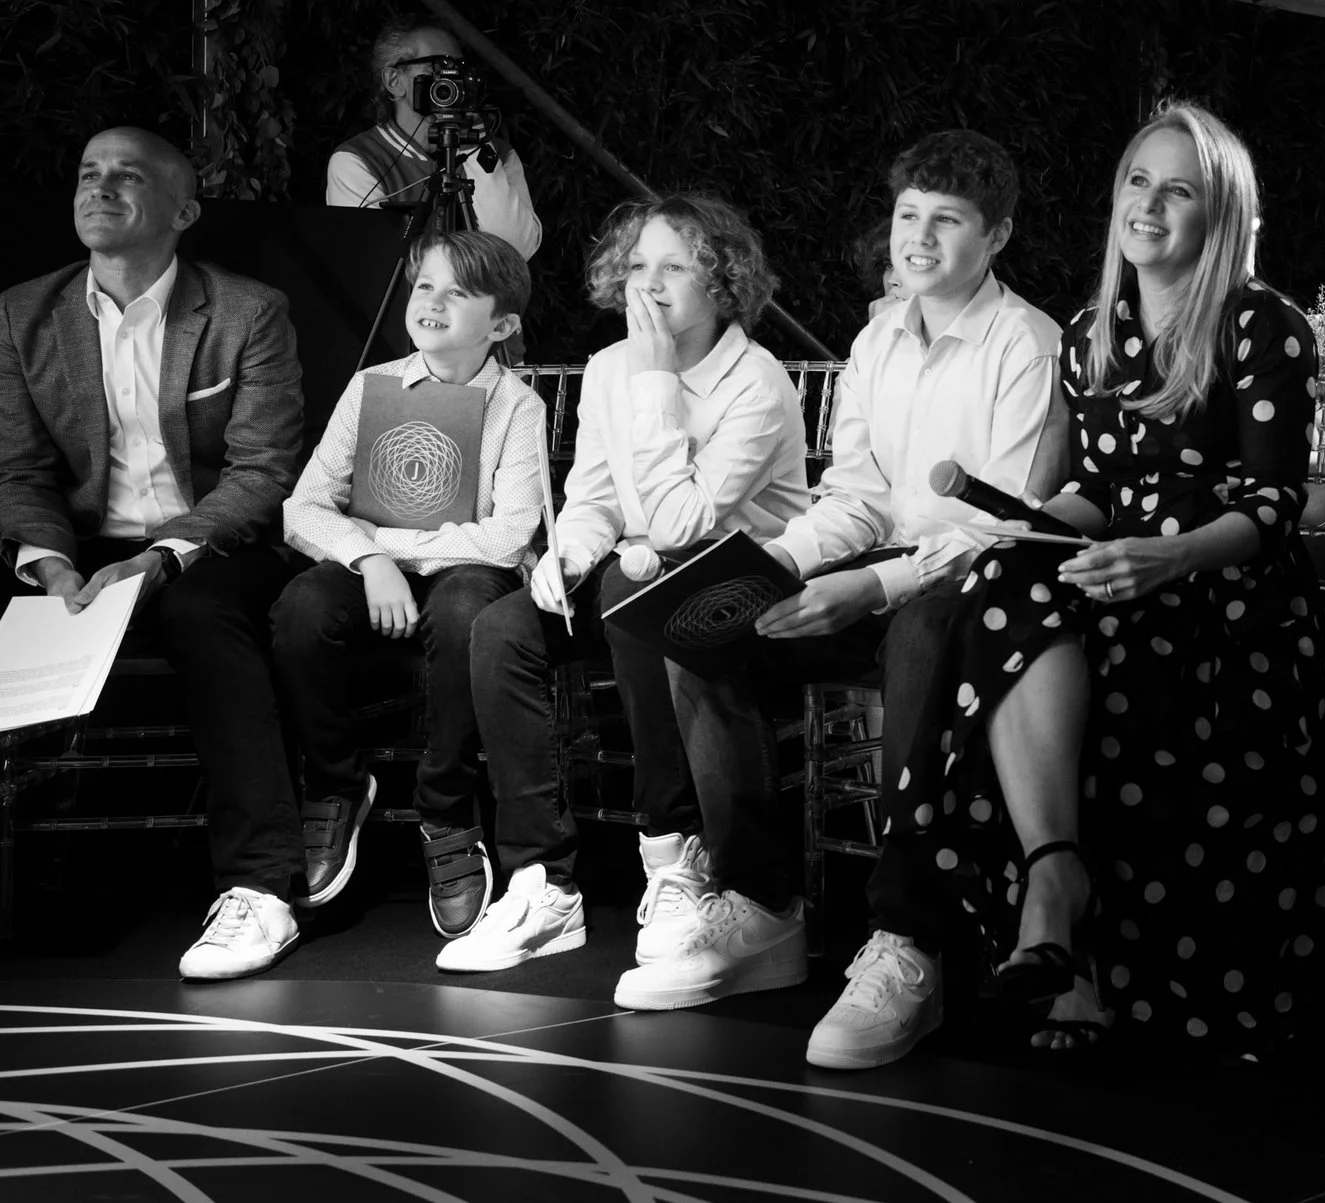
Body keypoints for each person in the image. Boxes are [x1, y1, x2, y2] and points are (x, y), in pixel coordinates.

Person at [883, 102, 1325, 1054]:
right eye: (1138, 182)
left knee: (1096, 648)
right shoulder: (1091, 329)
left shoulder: (1260, 325)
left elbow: (1274, 506)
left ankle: (1083, 956)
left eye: (1178, 189)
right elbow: (1094, 494)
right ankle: (1056, 882)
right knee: (998, 589)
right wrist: (1024, 533)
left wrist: (1171, 556)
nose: (1150, 205)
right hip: (1118, 562)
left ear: (1218, 211)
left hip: (1234, 597)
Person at [633, 131, 1062, 1045]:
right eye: (910, 213)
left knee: (918, 631)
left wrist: (870, 587)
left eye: (948, 219)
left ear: (998, 236)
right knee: (708, 623)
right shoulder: (877, 338)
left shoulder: (1026, 343)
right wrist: (781, 561)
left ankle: (911, 939)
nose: (920, 236)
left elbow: (1003, 527)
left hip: (983, 592)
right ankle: (762, 905)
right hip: (884, 572)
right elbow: (858, 495)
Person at [445, 194, 808, 987]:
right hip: (634, 582)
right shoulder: (613, 366)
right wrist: (566, 551)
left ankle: (674, 852)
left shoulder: (755, 379)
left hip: (740, 593)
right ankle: (543, 881)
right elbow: (599, 496)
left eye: (674, 266)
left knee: (641, 585)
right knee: (503, 626)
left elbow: (682, 525)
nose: (649, 284)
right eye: (638, 265)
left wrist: (656, 386)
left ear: (722, 282)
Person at [0, 126, 305, 978]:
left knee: (204, 617)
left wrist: (164, 556)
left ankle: (260, 889)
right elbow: (18, 468)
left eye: (127, 176)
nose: (99, 187)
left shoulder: (248, 312)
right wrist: (49, 563)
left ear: (184, 209)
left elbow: (262, 471)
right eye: (89, 172)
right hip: (79, 539)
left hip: (212, 539)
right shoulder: (23, 313)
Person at [271, 229, 548, 939]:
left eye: (460, 291)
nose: (434, 301)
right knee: (302, 607)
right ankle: (336, 783)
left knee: (464, 611)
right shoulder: (373, 387)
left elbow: (511, 532)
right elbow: (303, 508)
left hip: (466, 575)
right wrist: (370, 562)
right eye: (425, 284)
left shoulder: (518, 406)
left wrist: (396, 552)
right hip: (373, 573)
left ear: (503, 323)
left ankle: (447, 807)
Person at [326, 17, 544, 259]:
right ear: (393, 81)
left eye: (458, 68)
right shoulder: (358, 159)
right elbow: (372, 263)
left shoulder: (498, 154)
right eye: (437, 67)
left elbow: (515, 251)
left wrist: (474, 147)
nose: (451, 79)